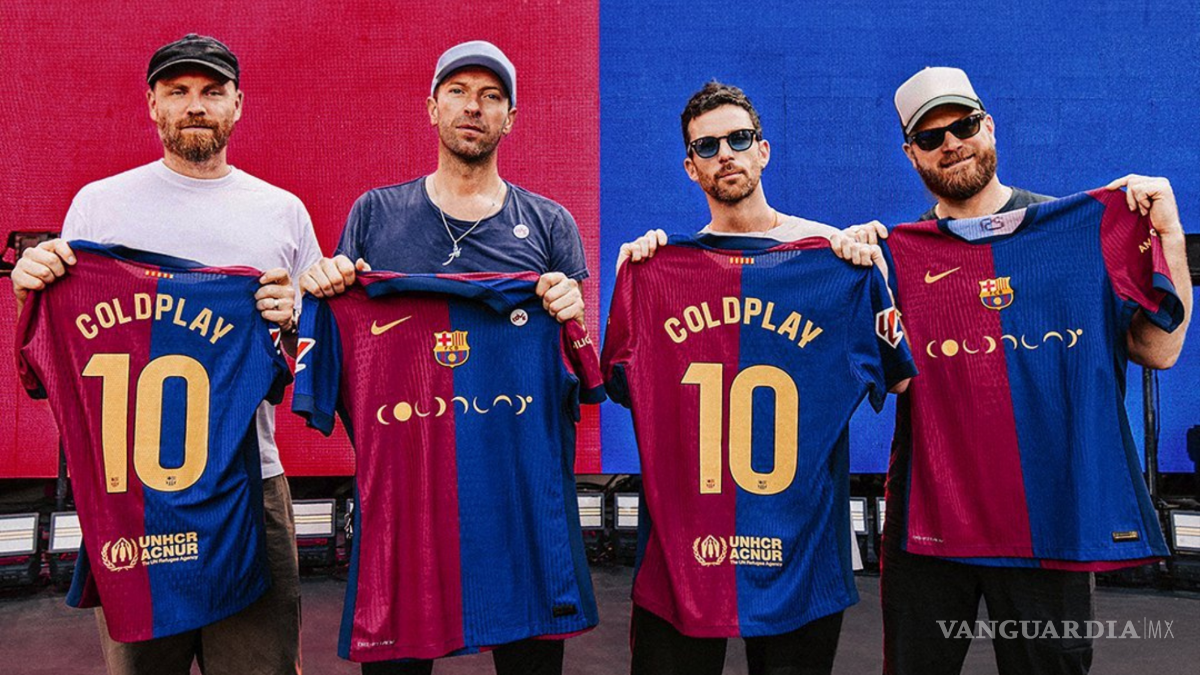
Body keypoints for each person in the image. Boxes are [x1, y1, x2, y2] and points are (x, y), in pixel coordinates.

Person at [853, 66, 1192, 675]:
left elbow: (1159, 350)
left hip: (1049, 514)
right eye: (930, 137)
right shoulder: (895, 256)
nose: (951, 144)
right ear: (911, 154)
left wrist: (1167, 231)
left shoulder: (1077, 233)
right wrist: (858, 271)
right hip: (931, 515)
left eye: (963, 126)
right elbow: (891, 377)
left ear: (989, 126)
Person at [10, 34, 319, 675]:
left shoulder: (282, 212)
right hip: (131, 495)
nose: (195, 105)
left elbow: (309, 353)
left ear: (238, 104)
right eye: (178, 92)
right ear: (153, 105)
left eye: (212, 91)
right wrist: (30, 297)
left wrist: (292, 322)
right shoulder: (99, 206)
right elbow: (58, 359)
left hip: (251, 483)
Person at [299, 40, 590, 675]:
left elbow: (574, 360)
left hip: (517, 495)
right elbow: (347, 341)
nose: (473, 107)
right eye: (457, 92)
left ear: (510, 118)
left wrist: (571, 309)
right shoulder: (375, 214)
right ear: (432, 108)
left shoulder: (549, 224)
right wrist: (325, 286)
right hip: (409, 499)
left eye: (491, 96)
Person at [607, 81, 912, 675]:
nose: (725, 154)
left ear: (763, 150)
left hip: (802, 551)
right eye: (707, 146)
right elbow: (623, 384)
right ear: (690, 167)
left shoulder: (834, 258)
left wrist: (874, 277)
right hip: (684, 552)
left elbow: (898, 379)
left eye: (739, 139)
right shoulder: (656, 268)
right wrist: (635, 275)